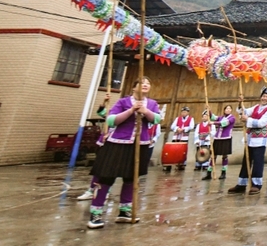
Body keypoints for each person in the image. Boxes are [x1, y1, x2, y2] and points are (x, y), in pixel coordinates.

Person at [87, 77, 161, 229]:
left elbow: (157, 119)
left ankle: (124, 211)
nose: (146, 85)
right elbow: (111, 120)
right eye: (142, 82)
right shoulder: (123, 102)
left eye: (148, 83)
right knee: (106, 178)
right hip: (118, 144)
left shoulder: (152, 104)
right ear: (134, 87)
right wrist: (132, 110)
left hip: (140, 144)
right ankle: (96, 213)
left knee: (131, 179)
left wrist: (145, 111)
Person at [228, 88, 267, 195]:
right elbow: (243, 111)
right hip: (250, 138)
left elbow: (261, 123)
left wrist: (247, 119)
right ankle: (241, 184)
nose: (264, 98)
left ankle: (256, 184)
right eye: (263, 96)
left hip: (260, 139)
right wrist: (240, 103)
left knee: (258, 161)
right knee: (246, 161)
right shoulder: (256, 107)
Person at [78, 95, 112, 201]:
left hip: (117, 144)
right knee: (99, 168)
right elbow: (102, 113)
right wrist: (104, 102)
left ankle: (105, 191)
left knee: (109, 170)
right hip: (105, 142)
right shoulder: (116, 111)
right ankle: (92, 189)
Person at [206, 104, 236, 180]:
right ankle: (209, 173)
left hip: (226, 138)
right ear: (224, 110)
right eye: (227, 109)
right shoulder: (221, 117)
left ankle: (223, 172)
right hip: (217, 138)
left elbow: (224, 123)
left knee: (224, 156)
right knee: (213, 155)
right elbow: (213, 117)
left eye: (230, 109)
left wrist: (212, 123)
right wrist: (208, 110)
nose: (228, 110)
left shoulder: (232, 118)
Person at [165, 106, 194, 172]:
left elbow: (191, 126)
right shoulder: (178, 118)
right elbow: (172, 126)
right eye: (182, 112)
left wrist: (183, 129)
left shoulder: (190, 119)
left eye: (185, 112)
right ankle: (171, 163)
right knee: (174, 150)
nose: (183, 113)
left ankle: (181, 164)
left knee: (183, 151)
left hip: (184, 137)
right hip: (176, 137)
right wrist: (177, 129)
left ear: (187, 113)